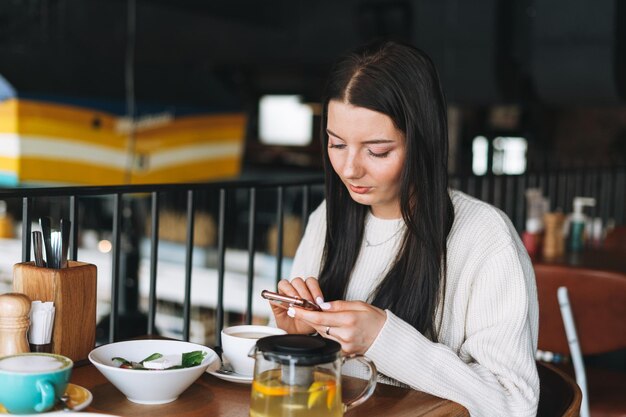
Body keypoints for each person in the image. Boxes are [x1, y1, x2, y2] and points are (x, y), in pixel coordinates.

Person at [267, 40, 539, 417]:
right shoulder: (327, 218)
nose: (349, 169)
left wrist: (383, 338)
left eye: (376, 151)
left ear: (423, 143)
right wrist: (299, 335)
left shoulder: (485, 237)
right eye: (336, 144)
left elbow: (514, 406)